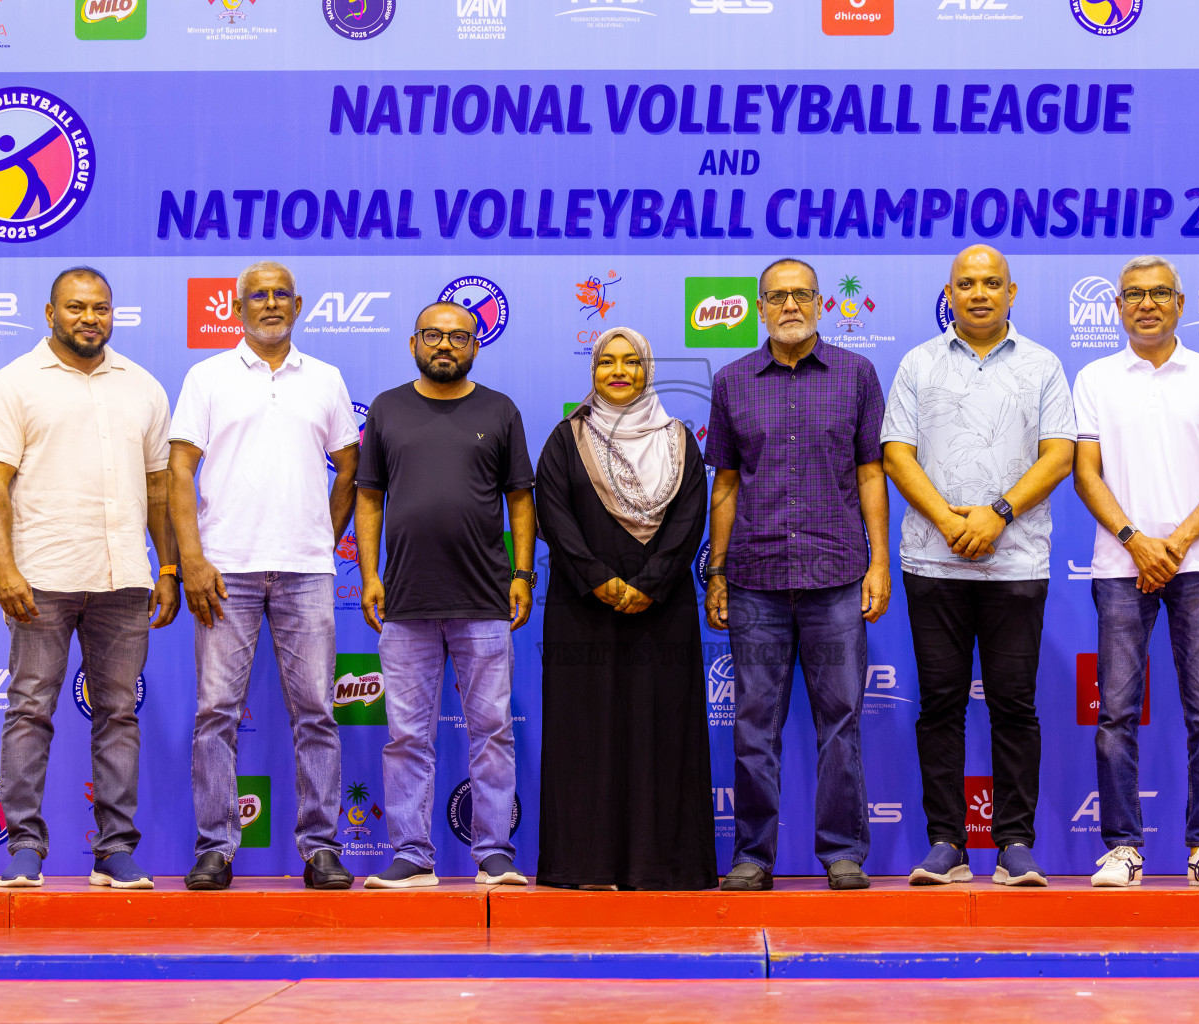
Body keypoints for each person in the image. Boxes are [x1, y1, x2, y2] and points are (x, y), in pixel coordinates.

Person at [0, 266, 179, 890]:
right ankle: (26, 848)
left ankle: (115, 851)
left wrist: (166, 566)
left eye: (100, 308)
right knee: (31, 709)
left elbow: (157, 488)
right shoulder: (12, 384)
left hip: (124, 579)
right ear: (50, 313)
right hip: (43, 576)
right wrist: (5, 571)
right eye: (76, 307)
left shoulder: (141, 386)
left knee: (118, 714)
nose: (89, 318)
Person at [881, 245, 1075, 888]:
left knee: (1015, 707)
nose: (980, 293)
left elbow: (1058, 457)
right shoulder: (918, 363)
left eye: (992, 283)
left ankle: (1015, 844)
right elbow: (896, 454)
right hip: (933, 563)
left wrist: (995, 515)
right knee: (939, 706)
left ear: (1012, 292)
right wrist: (949, 520)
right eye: (967, 284)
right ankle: (948, 844)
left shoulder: (1044, 365)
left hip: (1016, 562)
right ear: (950, 292)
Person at [170, 261, 361, 891]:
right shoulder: (207, 376)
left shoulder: (326, 379)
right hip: (226, 570)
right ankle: (215, 849)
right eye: (259, 295)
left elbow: (348, 466)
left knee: (316, 713)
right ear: (238, 307)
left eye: (281, 295)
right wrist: (191, 559)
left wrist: (323, 539)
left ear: (298, 306)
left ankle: (321, 848)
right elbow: (179, 473)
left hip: (306, 572)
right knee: (216, 712)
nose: (271, 304)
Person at [704, 258, 890, 892]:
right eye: (776, 297)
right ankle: (753, 856)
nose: (790, 306)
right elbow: (725, 483)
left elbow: (872, 472)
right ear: (760, 307)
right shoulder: (732, 381)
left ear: (820, 304)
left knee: (839, 719)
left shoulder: (857, 375)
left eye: (801, 295)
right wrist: (719, 572)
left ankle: (842, 852)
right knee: (755, 723)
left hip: (837, 576)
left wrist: (879, 561)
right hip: (754, 578)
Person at [1072, 255, 1199, 889]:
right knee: (1115, 712)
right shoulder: (1094, 377)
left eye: (1160, 293)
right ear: (1117, 307)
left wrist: (1172, 543)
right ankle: (1122, 848)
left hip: (1198, 564)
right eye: (1133, 295)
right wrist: (1134, 540)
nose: (1146, 304)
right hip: (1120, 566)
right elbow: (1084, 472)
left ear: (1180, 303)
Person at [354, 301, 536, 889]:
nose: (445, 345)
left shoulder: (500, 410)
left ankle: (494, 854)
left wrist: (523, 574)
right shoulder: (385, 409)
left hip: (484, 599)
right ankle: (411, 855)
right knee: (407, 735)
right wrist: (369, 575)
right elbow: (369, 497)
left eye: (458, 336)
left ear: (475, 346)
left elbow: (520, 499)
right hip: (404, 601)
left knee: (492, 732)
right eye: (433, 334)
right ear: (413, 343)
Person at [534, 326, 716, 891]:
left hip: (662, 611)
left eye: (631, 361)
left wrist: (650, 582)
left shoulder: (679, 439)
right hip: (582, 608)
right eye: (607, 362)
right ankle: (586, 865)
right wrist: (601, 582)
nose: (619, 371)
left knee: (662, 734)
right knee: (586, 735)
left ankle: (663, 867)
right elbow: (554, 518)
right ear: (592, 371)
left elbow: (690, 518)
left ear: (648, 370)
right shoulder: (566, 440)